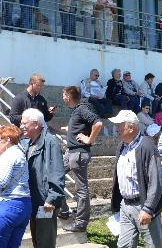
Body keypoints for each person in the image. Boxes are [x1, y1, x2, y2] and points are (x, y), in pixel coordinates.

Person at [109, 110, 162, 248]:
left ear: (131, 127)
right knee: (124, 245)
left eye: (119, 125)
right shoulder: (121, 147)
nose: (116, 128)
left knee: (153, 245)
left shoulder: (147, 147)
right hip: (125, 205)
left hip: (143, 205)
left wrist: (148, 208)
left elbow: (155, 182)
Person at [59, 86, 102, 232]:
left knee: (81, 189)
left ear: (68, 96)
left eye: (63, 95)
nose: (62, 98)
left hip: (78, 153)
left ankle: (81, 223)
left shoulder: (82, 108)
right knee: (54, 176)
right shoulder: (77, 110)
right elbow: (82, 126)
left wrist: (89, 139)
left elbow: (98, 123)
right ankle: (63, 210)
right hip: (71, 153)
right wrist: (70, 129)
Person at [21, 109, 65, 248]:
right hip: (33, 200)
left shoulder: (50, 142)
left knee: (45, 240)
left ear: (36, 124)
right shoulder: (27, 143)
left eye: (24, 123)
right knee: (37, 239)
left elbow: (56, 171)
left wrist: (52, 198)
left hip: (45, 202)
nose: (22, 126)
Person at [0, 124, 32, 248]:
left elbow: (0, 182)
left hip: (7, 204)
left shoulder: (9, 155)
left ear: (7, 140)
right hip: (24, 205)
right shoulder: (20, 152)